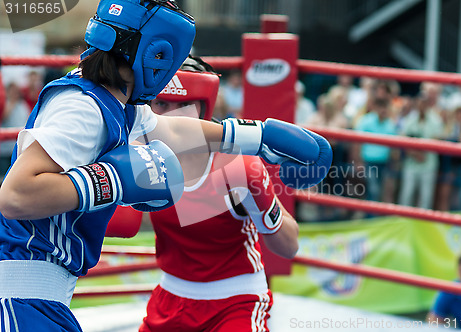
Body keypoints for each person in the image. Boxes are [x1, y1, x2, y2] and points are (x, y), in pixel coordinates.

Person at [0, 1, 332, 331]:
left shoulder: (117, 101)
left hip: (43, 297)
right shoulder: (84, 107)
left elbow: (172, 130)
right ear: (153, 52)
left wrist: (259, 136)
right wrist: (113, 179)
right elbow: (15, 196)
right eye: (165, 58)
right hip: (23, 295)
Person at [140, 56, 299, 332]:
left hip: (235, 301)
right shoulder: (139, 155)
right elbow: (126, 225)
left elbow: (288, 246)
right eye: (162, 104)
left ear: (203, 108)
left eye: (184, 104)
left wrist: (264, 203)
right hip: (169, 299)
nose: (172, 116)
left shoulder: (235, 164)